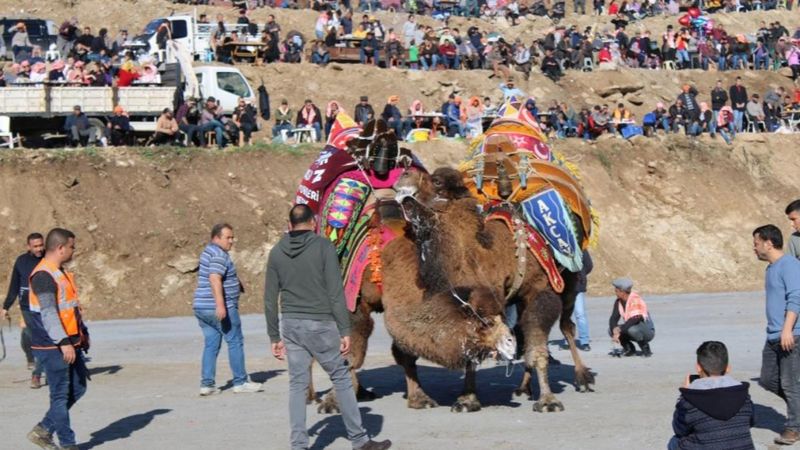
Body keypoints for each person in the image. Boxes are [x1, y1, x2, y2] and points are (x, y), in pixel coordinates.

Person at [264, 205, 392, 450]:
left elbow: (270, 298)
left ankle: (299, 445)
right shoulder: (323, 247)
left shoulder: (277, 252)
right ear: (313, 223)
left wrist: (273, 336)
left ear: (289, 225)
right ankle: (359, 440)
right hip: (320, 323)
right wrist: (345, 330)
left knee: (297, 384)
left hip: (291, 324)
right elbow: (335, 292)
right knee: (342, 378)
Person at [26, 228, 88, 450]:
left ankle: (43, 429)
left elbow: (69, 309)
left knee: (79, 388)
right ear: (61, 248)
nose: (74, 250)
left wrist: (82, 336)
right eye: (72, 246)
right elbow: (49, 313)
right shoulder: (44, 275)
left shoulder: (59, 272)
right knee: (60, 396)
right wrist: (62, 343)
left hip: (70, 341)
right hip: (52, 344)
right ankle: (68, 443)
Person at [193, 223, 263, 396]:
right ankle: (240, 382)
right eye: (228, 238)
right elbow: (215, 278)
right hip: (217, 307)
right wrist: (220, 305)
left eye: (232, 237)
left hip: (201, 307)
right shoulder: (219, 255)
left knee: (211, 344)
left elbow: (219, 274)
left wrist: (236, 283)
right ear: (216, 238)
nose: (232, 241)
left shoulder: (209, 252)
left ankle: (207, 384)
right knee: (235, 341)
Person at [753, 224, 800, 446]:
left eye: (756, 243)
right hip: (773, 335)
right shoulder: (771, 268)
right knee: (768, 379)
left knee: (790, 384)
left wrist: (788, 329)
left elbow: (796, 298)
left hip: (791, 335)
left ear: (768, 243)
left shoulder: (789, 265)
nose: (754, 248)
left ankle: (794, 428)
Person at [668, 341, 755, 450]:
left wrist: (683, 396)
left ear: (698, 367)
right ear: (728, 368)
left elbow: (679, 430)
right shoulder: (744, 395)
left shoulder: (690, 399)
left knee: (674, 442)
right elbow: (751, 422)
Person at [1, 233, 45, 388]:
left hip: (47, 306)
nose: (39, 249)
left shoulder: (49, 260)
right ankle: (30, 357)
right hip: (27, 306)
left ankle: (36, 375)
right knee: (27, 334)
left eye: (41, 245)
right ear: (29, 247)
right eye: (35, 246)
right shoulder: (22, 261)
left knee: (40, 338)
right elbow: (14, 286)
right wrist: (6, 306)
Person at [609, 277, 654, 357]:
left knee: (631, 329)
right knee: (611, 329)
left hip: (647, 331)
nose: (615, 293)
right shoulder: (618, 302)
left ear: (622, 292)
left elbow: (635, 319)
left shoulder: (635, 299)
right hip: (631, 327)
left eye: (616, 291)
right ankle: (629, 349)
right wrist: (614, 330)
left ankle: (645, 348)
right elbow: (613, 318)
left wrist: (620, 329)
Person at [571, 250, 593, 351]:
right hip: (564, 287)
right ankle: (569, 339)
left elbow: (589, 265)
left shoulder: (581, 249)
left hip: (577, 286)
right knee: (565, 315)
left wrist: (582, 274)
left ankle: (584, 341)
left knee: (580, 314)